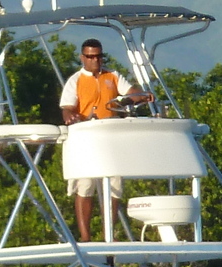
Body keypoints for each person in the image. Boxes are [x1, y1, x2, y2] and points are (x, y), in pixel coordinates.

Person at [58, 38, 152, 240]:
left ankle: (108, 234)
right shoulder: (76, 80)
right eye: (91, 57)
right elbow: (67, 108)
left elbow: (130, 91)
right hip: (86, 140)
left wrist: (141, 95)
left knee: (114, 187)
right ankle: (85, 237)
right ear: (83, 57)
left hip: (111, 140)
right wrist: (71, 117)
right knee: (85, 185)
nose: (95, 61)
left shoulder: (112, 76)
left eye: (99, 56)